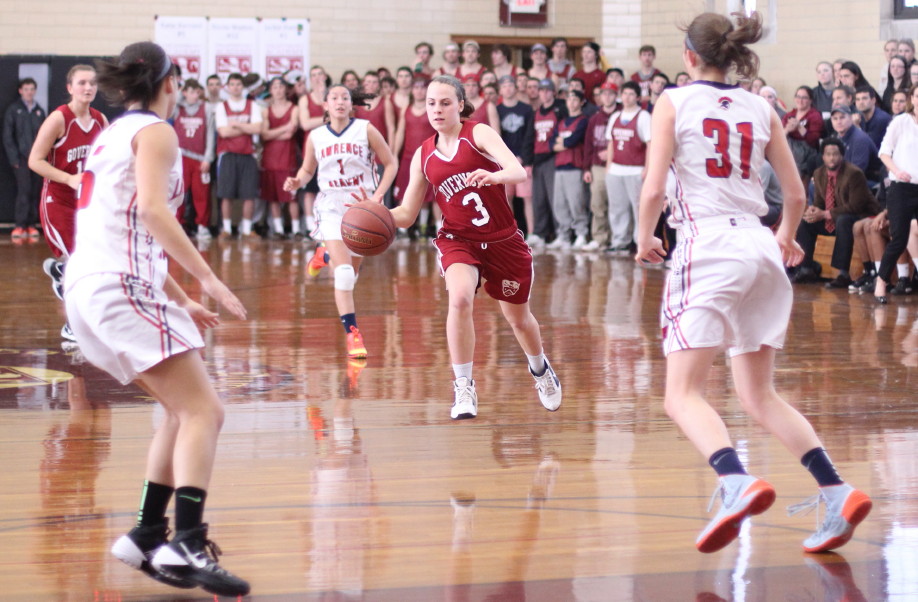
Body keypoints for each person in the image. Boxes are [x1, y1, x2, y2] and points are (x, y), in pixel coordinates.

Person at [635, 11, 871, 555]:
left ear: (689, 57)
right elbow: (795, 194)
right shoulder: (761, 106)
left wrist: (644, 236)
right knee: (759, 394)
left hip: (708, 245)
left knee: (681, 394)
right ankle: (836, 491)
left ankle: (733, 478)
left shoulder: (673, 101)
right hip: (760, 247)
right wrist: (786, 236)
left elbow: (653, 188)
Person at [65, 41, 249, 596]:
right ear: (171, 83)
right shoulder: (157, 132)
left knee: (177, 410)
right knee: (205, 412)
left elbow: (127, 224)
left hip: (91, 284)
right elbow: (151, 210)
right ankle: (187, 541)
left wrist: (179, 297)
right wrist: (207, 279)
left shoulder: (111, 133)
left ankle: (147, 534)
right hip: (117, 284)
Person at [373, 75, 562, 419]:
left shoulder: (478, 134)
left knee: (519, 321)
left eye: (445, 103)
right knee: (459, 298)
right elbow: (408, 214)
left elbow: (518, 171)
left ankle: (540, 369)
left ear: (460, 105)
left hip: (503, 240)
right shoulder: (423, 154)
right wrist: (375, 213)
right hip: (458, 240)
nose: (437, 109)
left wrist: (495, 176)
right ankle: (463, 386)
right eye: (431, 103)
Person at [283, 84, 397, 358]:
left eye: (345, 97)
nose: (340, 101)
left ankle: (323, 255)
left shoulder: (365, 129)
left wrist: (378, 196)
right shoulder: (316, 136)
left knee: (351, 276)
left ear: (351, 103)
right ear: (325, 105)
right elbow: (308, 169)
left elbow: (391, 163)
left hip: (362, 207)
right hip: (331, 206)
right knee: (344, 274)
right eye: (334, 97)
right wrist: (298, 181)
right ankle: (353, 334)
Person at [28, 64, 108, 342]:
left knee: (92, 261)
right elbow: (34, 160)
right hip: (58, 200)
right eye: (82, 82)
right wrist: (68, 178)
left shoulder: (100, 120)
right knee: (80, 263)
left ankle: (59, 271)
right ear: (69, 87)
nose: (88, 87)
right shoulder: (59, 118)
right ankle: (73, 325)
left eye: (93, 83)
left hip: (86, 203)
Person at [793, 138, 880, 287]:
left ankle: (843, 274)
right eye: (828, 154)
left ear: (842, 156)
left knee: (843, 221)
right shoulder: (819, 173)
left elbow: (856, 206)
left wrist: (825, 214)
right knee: (806, 222)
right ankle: (806, 269)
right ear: (823, 156)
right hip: (835, 216)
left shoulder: (854, 173)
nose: (832, 158)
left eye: (835, 154)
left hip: (860, 216)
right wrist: (814, 210)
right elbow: (820, 202)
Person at [875, 84, 918, 304]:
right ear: (912, 98)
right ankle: (881, 281)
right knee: (899, 238)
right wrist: (897, 170)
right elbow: (884, 152)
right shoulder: (901, 122)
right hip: (901, 187)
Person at [214, 72, 262, 239]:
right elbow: (223, 132)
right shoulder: (222, 106)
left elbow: (257, 128)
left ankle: (247, 230)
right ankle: (226, 229)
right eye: (232, 84)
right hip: (227, 155)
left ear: (243, 87)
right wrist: (246, 127)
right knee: (226, 194)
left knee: (249, 194)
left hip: (248, 154)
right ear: (227, 87)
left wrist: (235, 124)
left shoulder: (252, 105)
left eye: (238, 84)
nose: (235, 88)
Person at [605, 80, 650, 255]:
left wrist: (647, 168)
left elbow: (650, 144)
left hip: (635, 169)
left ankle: (640, 243)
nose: (627, 97)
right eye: (624, 93)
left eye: (631, 94)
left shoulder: (643, 116)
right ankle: (620, 241)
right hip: (616, 169)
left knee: (639, 209)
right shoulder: (615, 116)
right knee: (617, 208)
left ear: (638, 97)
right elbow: (611, 143)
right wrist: (608, 166)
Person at [392, 74, 438, 237]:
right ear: (412, 90)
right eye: (416, 87)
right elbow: (400, 132)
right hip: (408, 157)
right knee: (404, 192)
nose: (419, 91)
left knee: (428, 194)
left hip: (429, 156)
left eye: (422, 87)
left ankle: (423, 227)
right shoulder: (406, 108)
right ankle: (402, 229)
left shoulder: (433, 108)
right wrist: (394, 154)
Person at [172, 78, 215, 242]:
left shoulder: (206, 108)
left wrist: (208, 158)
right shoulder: (178, 108)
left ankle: (202, 226)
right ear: (184, 93)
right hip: (181, 157)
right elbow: (171, 101)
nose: (195, 95)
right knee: (179, 193)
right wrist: (181, 93)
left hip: (200, 158)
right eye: (191, 92)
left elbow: (210, 134)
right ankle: (177, 224)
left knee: (201, 194)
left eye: (197, 92)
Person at [3, 77, 46, 241]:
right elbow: (8, 136)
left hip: (37, 159)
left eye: (32, 89)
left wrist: (43, 156)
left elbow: (45, 135)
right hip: (20, 160)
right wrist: (14, 159)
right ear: (21, 91)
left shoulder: (39, 111)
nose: (29, 92)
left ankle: (31, 224)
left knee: (35, 191)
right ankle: (20, 225)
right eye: (26, 89)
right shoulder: (14, 110)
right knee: (24, 191)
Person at [547, 89, 590, 249]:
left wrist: (563, 142)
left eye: (575, 99)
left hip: (575, 167)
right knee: (560, 204)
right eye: (569, 99)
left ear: (581, 102)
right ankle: (563, 236)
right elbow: (551, 144)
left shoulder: (583, 121)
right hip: (560, 167)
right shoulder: (561, 122)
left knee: (576, 202)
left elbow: (572, 141)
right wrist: (563, 142)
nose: (571, 102)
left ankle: (581, 234)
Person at [261, 77, 300, 239]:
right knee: (273, 197)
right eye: (275, 87)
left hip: (287, 157)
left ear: (286, 89)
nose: (278, 90)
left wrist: (273, 133)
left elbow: (291, 132)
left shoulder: (294, 108)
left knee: (291, 197)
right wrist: (283, 129)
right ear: (270, 91)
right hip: (270, 158)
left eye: (281, 86)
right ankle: (278, 230)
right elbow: (264, 134)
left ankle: (296, 230)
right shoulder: (266, 111)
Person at [495, 75, 535, 236]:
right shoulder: (497, 110)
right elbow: (497, 137)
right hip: (505, 162)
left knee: (528, 198)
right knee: (507, 198)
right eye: (504, 86)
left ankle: (532, 233)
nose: (508, 89)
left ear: (516, 88)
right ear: (500, 90)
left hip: (523, 160)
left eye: (510, 85)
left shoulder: (526, 109)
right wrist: (506, 158)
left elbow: (529, 135)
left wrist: (523, 157)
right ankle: (510, 233)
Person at [582, 82, 618, 251]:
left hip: (618, 165)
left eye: (611, 93)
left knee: (617, 204)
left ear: (616, 96)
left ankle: (617, 239)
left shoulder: (621, 116)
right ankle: (600, 238)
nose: (607, 97)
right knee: (597, 204)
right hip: (597, 167)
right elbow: (588, 145)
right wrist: (586, 168)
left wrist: (611, 153)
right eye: (604, 93)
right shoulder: (594, 119)